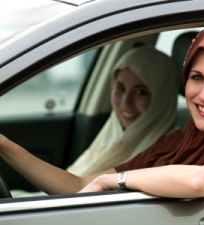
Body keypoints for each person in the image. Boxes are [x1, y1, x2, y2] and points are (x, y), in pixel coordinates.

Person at [0, 25, 204, 198]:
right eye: (196, 77)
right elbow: (80, 186)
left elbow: (199, 181)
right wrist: (5, 146)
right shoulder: (178, 140)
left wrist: (116, 181)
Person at [0, 46, 179, 195]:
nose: (126, 102)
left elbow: (78, 188)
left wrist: (5, 145)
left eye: (141, 92)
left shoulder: (165, 151)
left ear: (161, 97)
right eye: (120, 88)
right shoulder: (115, 133)